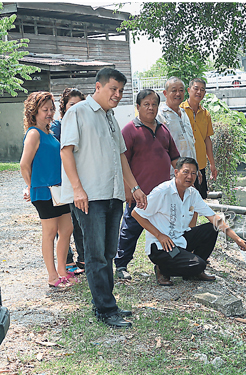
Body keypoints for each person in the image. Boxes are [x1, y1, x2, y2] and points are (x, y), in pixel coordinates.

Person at [60, 68, 147, 328]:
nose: (118, 95)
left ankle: (107, 303)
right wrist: (77, 189)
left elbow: (121, 156)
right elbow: (66, 152)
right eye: (113, 89)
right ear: (98, 87)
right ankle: (105, 310)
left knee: (109, 252)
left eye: (121, 91)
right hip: (89, 196)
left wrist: (134, 187)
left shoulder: (111, 117)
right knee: (96, 254)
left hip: (113, 195)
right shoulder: (78, 112)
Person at [132, 157, 246, 286]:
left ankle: (194, 272)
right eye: (185, 172)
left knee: (211, 228)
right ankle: (162, 269)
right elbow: (136, 214)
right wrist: (159, 235)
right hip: (161, 246)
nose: (189, 176)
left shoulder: (192, 193)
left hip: (180, 240)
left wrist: (237, 239)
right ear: (176, 172)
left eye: (193, 173)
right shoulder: (162, 191)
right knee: (199, 264)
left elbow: (214, 218)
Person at [114, 89, 180, 280]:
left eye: (154, 104)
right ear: (138, 107)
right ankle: (121, 265)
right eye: (146, 104)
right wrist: (129, 190)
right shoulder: (129, 130)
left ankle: (163, 267)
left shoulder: (163, 129)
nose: (151, 108)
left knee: (165, 231)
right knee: (130, 230)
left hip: (162, 194)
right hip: (139, 193)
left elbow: (175, 158)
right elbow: (122, 162)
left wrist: (185, 176)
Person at [19, 91, 76, 289]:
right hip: (44, 192)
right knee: (50, 232)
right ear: (34, 112)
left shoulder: (49, 133)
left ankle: (62, 270)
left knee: (67, 229)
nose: (50, 113)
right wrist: (31, 186)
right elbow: (24, 165)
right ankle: (52, 276)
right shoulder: (34, 133)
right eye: (45, 110)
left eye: (52, 109)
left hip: (59, 191)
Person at [51, 88, 86, 273]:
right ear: (64, 107)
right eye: (72, 104)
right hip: (60, 182)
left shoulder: (85, 125)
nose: (76, 108)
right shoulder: (58, 127)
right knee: (64, 225)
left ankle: (83, 259)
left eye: (80, 104)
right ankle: (67, 260)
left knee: (79, 222)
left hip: (81, 182)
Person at [180, 78, 218, 199]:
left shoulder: (205, 114)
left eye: (202, 90)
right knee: (184, 199)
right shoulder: (179, 111)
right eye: (196, 88)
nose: (199, 92)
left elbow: (207, 139)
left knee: (200, 198)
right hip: (183, 164)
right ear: (189, 90)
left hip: (200, 164)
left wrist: (212, 164)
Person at [156, 77, 197, 180]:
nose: (178, 94)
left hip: (190, 173)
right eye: (174, 90)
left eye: (181, 90)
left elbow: (190, 143)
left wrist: (196, 170)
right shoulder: (160, 116)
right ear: (165, 93)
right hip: (173, 175)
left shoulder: (184, 113)